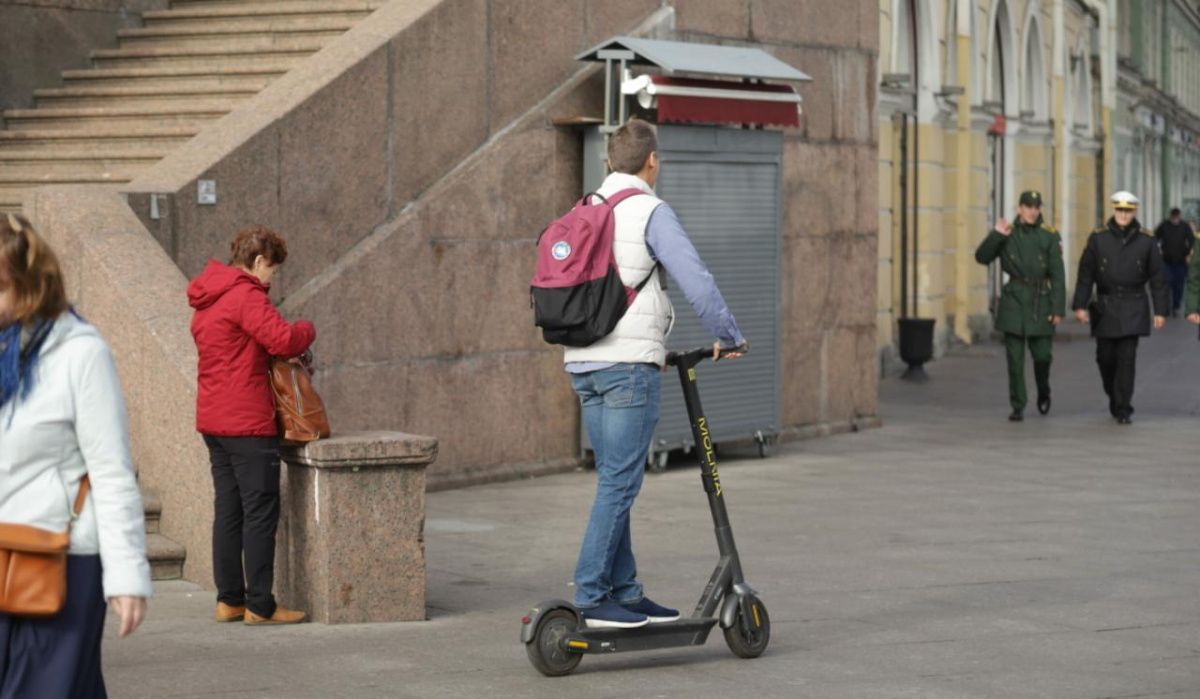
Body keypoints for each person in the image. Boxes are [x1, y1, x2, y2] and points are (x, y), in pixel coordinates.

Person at [564, 119, 746, 629]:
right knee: (619, 483)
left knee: (612, 479)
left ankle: (624, 590)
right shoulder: (649, 210)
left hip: (583, 362)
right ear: (652, 161)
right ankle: (592, 593)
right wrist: (728, 334)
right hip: (626, 369)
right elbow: (696, 279)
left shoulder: (585, 207)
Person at [0, 213, 151, 696]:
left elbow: (111, 473)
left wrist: (127, 577)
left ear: (32, 285)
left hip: (61, 560)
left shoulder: (80, 354)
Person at [188, 225, 315, 625]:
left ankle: (230, 601)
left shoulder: (209, 297)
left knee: (229, 510)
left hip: (214, 421)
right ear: (258, 261)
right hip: (247, 422)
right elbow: (283, 341)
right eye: (272, 271)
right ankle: (261, 605)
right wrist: (307, 329)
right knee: (260, 512)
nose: (270, 280)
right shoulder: (244, 295)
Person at [1071, 191, 1169, 424]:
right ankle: (1114, 396)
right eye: (1120, 210)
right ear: (1114, 211)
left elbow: (1158, 278)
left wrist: (1161, 310)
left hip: (1133, 305)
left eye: (1128, 211)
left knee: (1127, 358)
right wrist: (1080, 305)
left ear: (1134, 212)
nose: (1123, 215)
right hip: (1105, 306)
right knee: (1105, 358)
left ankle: (1123, 406)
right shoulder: (1098, 238)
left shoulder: (1147, 241)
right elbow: (1086, 274)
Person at [974, 190, 1065, 422]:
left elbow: (1058, 275)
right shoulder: (1008, 234)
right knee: (1014, 359)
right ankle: (1018, 404)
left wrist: (1057, 308)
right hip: (1014, 299)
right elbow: (982, 257)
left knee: (1043, 355)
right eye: (1028, 206)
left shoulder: (1049, 236)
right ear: (1019, 208)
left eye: (1036, 207)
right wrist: (996, 235)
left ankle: (1043, 389)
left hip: (1040, 300)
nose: (1032, 211)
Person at [1153, 207, 1194, 316]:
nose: (1175, 219)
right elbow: (1155, 238)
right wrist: (1158, 250)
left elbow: (1191, 240)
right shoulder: (1164, 225)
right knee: (1166, 284)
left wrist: (1188, 252)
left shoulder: (1185, 226)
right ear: (1170, 216)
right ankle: (1166, 308)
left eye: (1177, 217)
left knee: (1179, 286)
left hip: (1181, 262)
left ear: (1179, 216)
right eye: (1173, 217)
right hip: (1166, 261)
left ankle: (1176, 306)